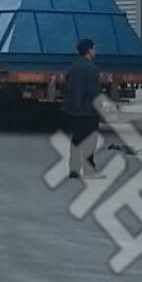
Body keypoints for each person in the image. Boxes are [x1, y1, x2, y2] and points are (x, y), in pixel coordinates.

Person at [60, 38, 104, 179]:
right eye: (94, 48)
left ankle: (74, 169)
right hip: (89, 110)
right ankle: (89, 170)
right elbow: (94, 92)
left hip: (73, 109)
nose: (95, 51)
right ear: (89, 50)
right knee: (90, 140)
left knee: (77, 138)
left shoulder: (72, 67)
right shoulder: (92, 69)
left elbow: (66, 88)